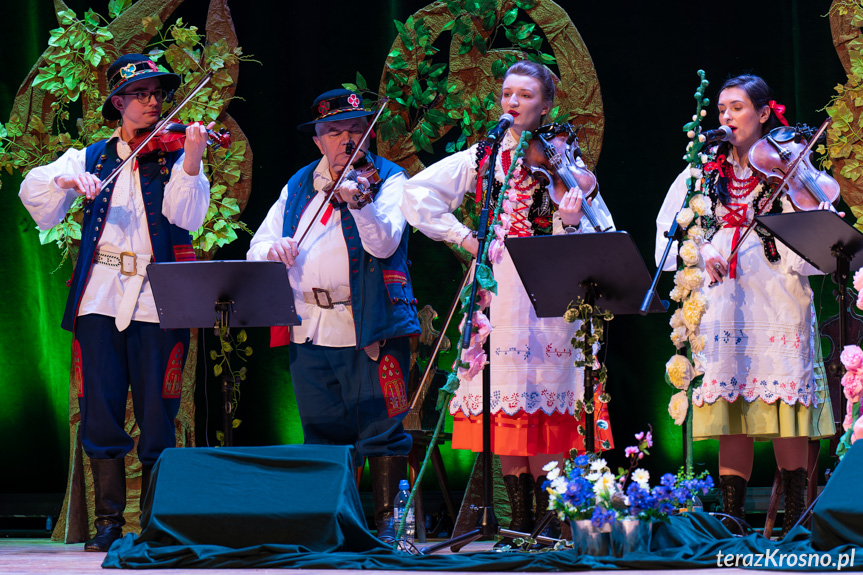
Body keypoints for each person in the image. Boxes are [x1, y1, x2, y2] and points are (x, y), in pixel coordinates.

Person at [401, 60, 615, 541]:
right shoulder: (484, 155)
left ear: (546, 105)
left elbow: (601, 230)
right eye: (507, 94)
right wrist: (466, 237)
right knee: (506, 406)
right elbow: (416, 195)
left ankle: (552, 522)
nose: (513, 103)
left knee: (546, 408)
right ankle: (517, 524)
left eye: (524, 95)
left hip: (551, 298)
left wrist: (569, 219)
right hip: (499, 295)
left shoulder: (564, 159)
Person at [18, 54, 212, 551]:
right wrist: (66, 181)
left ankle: (153, 522)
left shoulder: (172, 155)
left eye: (157, 94)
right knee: (99, 409)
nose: (153, 102)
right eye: (141, 94)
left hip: (157, 299)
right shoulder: (93, 156)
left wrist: (192, 159)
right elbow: (33, 191)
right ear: (118, 102)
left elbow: (186, 215)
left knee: (158, 410)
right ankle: (107, 523)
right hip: (100, 297)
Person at [655, 74, 836, 537]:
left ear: (762, 113)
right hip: (723, 301)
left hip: (776, 297)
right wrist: (701, 248)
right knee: (730, 405)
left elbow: (824, 234)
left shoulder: (785, 166)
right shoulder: (701, 171)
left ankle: (796, 521)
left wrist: (797, 180)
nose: (727, 117)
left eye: (737, 107)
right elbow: (668, 228)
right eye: (721, 109)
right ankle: (732, 523)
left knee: (783, 410)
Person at [247, 89, 420, 539]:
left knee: (383, 429)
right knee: (323, 431)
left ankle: (388, 526)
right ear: (318, 140)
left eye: (355, 129)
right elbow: (256, 248)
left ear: (370, 133)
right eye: (334, 131)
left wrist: (358, 202)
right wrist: (273, 249)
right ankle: (330, 525)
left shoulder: (389, 179)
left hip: (372, 324)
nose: (346, 139)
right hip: (311, 327)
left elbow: (383, 244)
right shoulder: (299, 184)